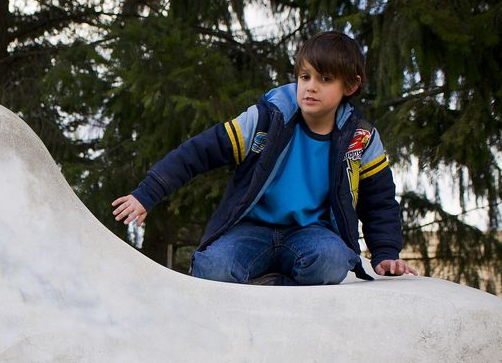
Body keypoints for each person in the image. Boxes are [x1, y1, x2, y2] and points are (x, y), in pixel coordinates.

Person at [111, 31, 417, 285]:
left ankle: (271, 288)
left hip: (310, 234)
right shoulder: (266, 120)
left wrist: (385, 252)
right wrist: (147, 194)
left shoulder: (360, 138)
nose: (310, 87)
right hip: (250, 229)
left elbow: (379, 200)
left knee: (333, 261)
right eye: (305, 76)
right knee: (212, 267)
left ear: (350, 86)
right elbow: (199, 152)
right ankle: (263, 285)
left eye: (325, 79)